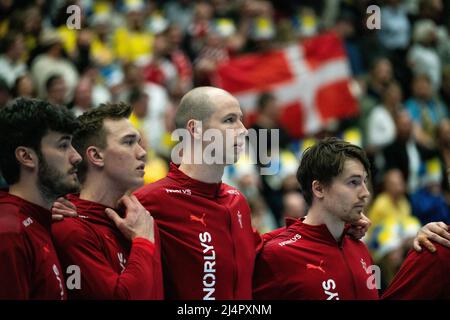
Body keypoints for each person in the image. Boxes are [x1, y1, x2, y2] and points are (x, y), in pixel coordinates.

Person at [133, 86, 371, 300]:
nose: (244, 131)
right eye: (229, 120)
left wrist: (337, 224)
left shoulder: (235, 200)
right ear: (194, 129)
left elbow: (269, 247)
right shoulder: (151, 202)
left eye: (241, 120)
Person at [51, 102, 164, 299]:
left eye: (138, 141)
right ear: (96, 155)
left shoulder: (141, 218)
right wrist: (143, 243)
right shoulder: (71, 228)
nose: (142, 152)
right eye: (128, 142)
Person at [253, 138, 379, 300]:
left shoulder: (359, 246)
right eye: (353, 182)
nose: (365, 193)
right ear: (319, 189)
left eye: (364, 182)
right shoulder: (277, 255)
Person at [0, 98, 81, 299]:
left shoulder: (39, 220)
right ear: (26, 157)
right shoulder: (9, 234)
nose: (76, 156)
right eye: (63, 146)